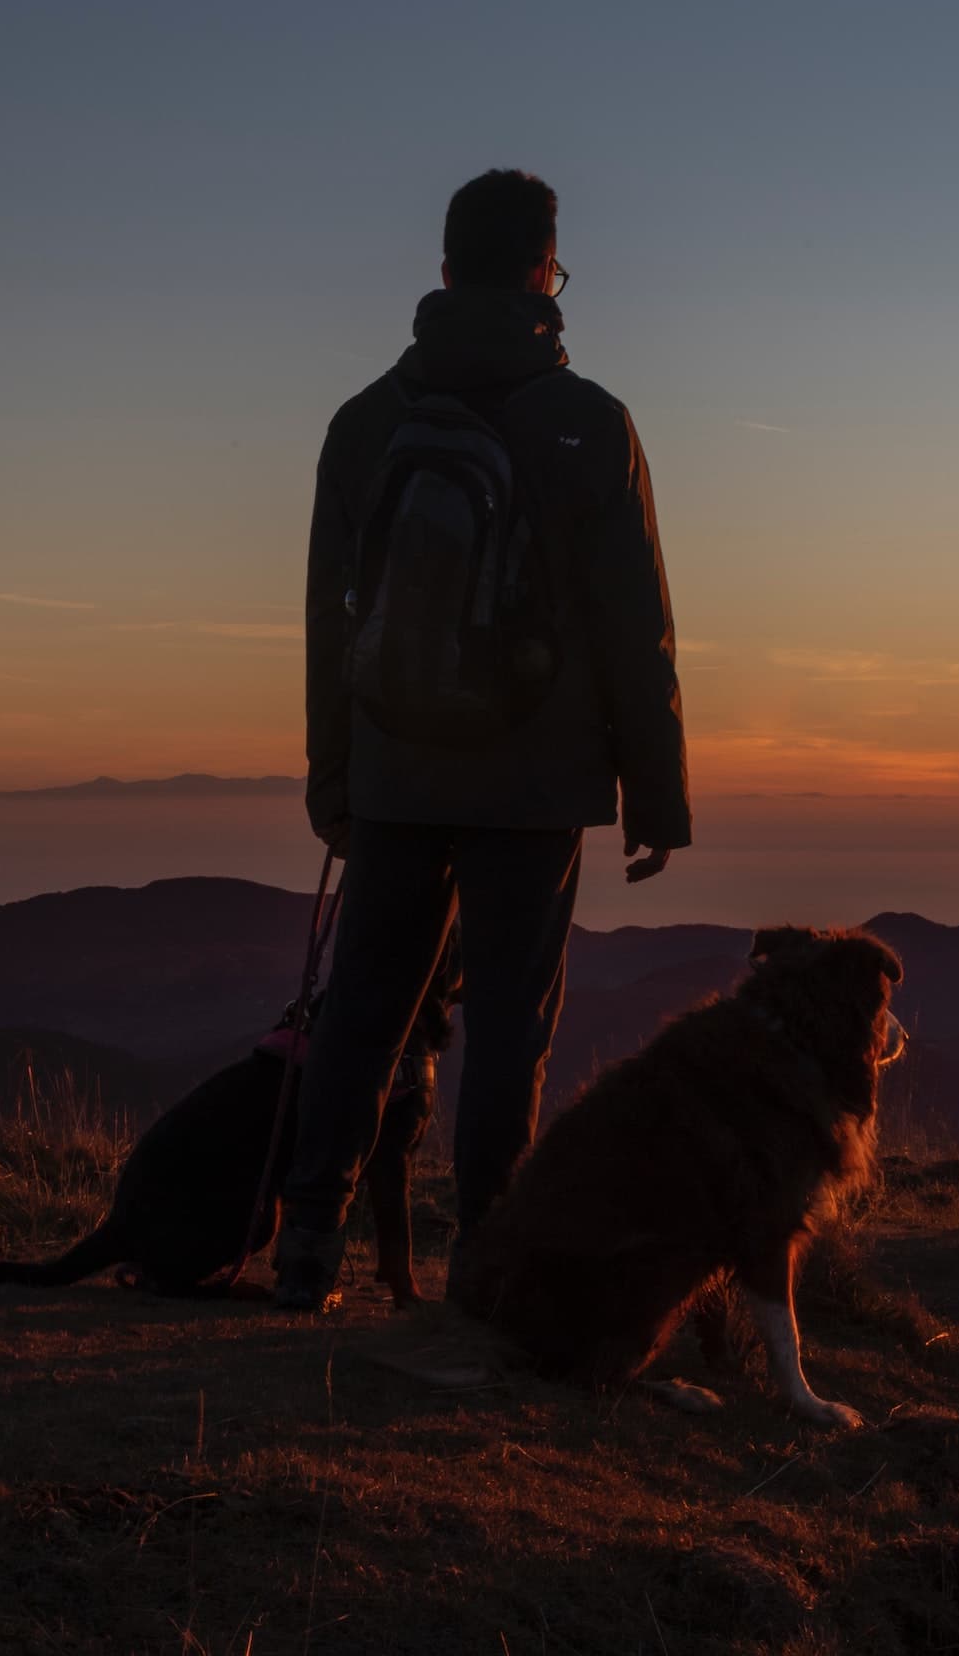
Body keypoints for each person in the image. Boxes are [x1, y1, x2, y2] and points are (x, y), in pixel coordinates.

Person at [274, 167, 691, 1311]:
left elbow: (327, 622)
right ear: (547, 270)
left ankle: (306, 1241)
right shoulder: (589, 423)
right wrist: (654, 794)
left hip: (397, 763)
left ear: (446, 268)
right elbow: (633, 625)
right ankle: (486, 1257)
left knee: (366, 1001)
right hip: (537, 773)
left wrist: (335, 776)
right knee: (509, 1019)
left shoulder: (366, 422)